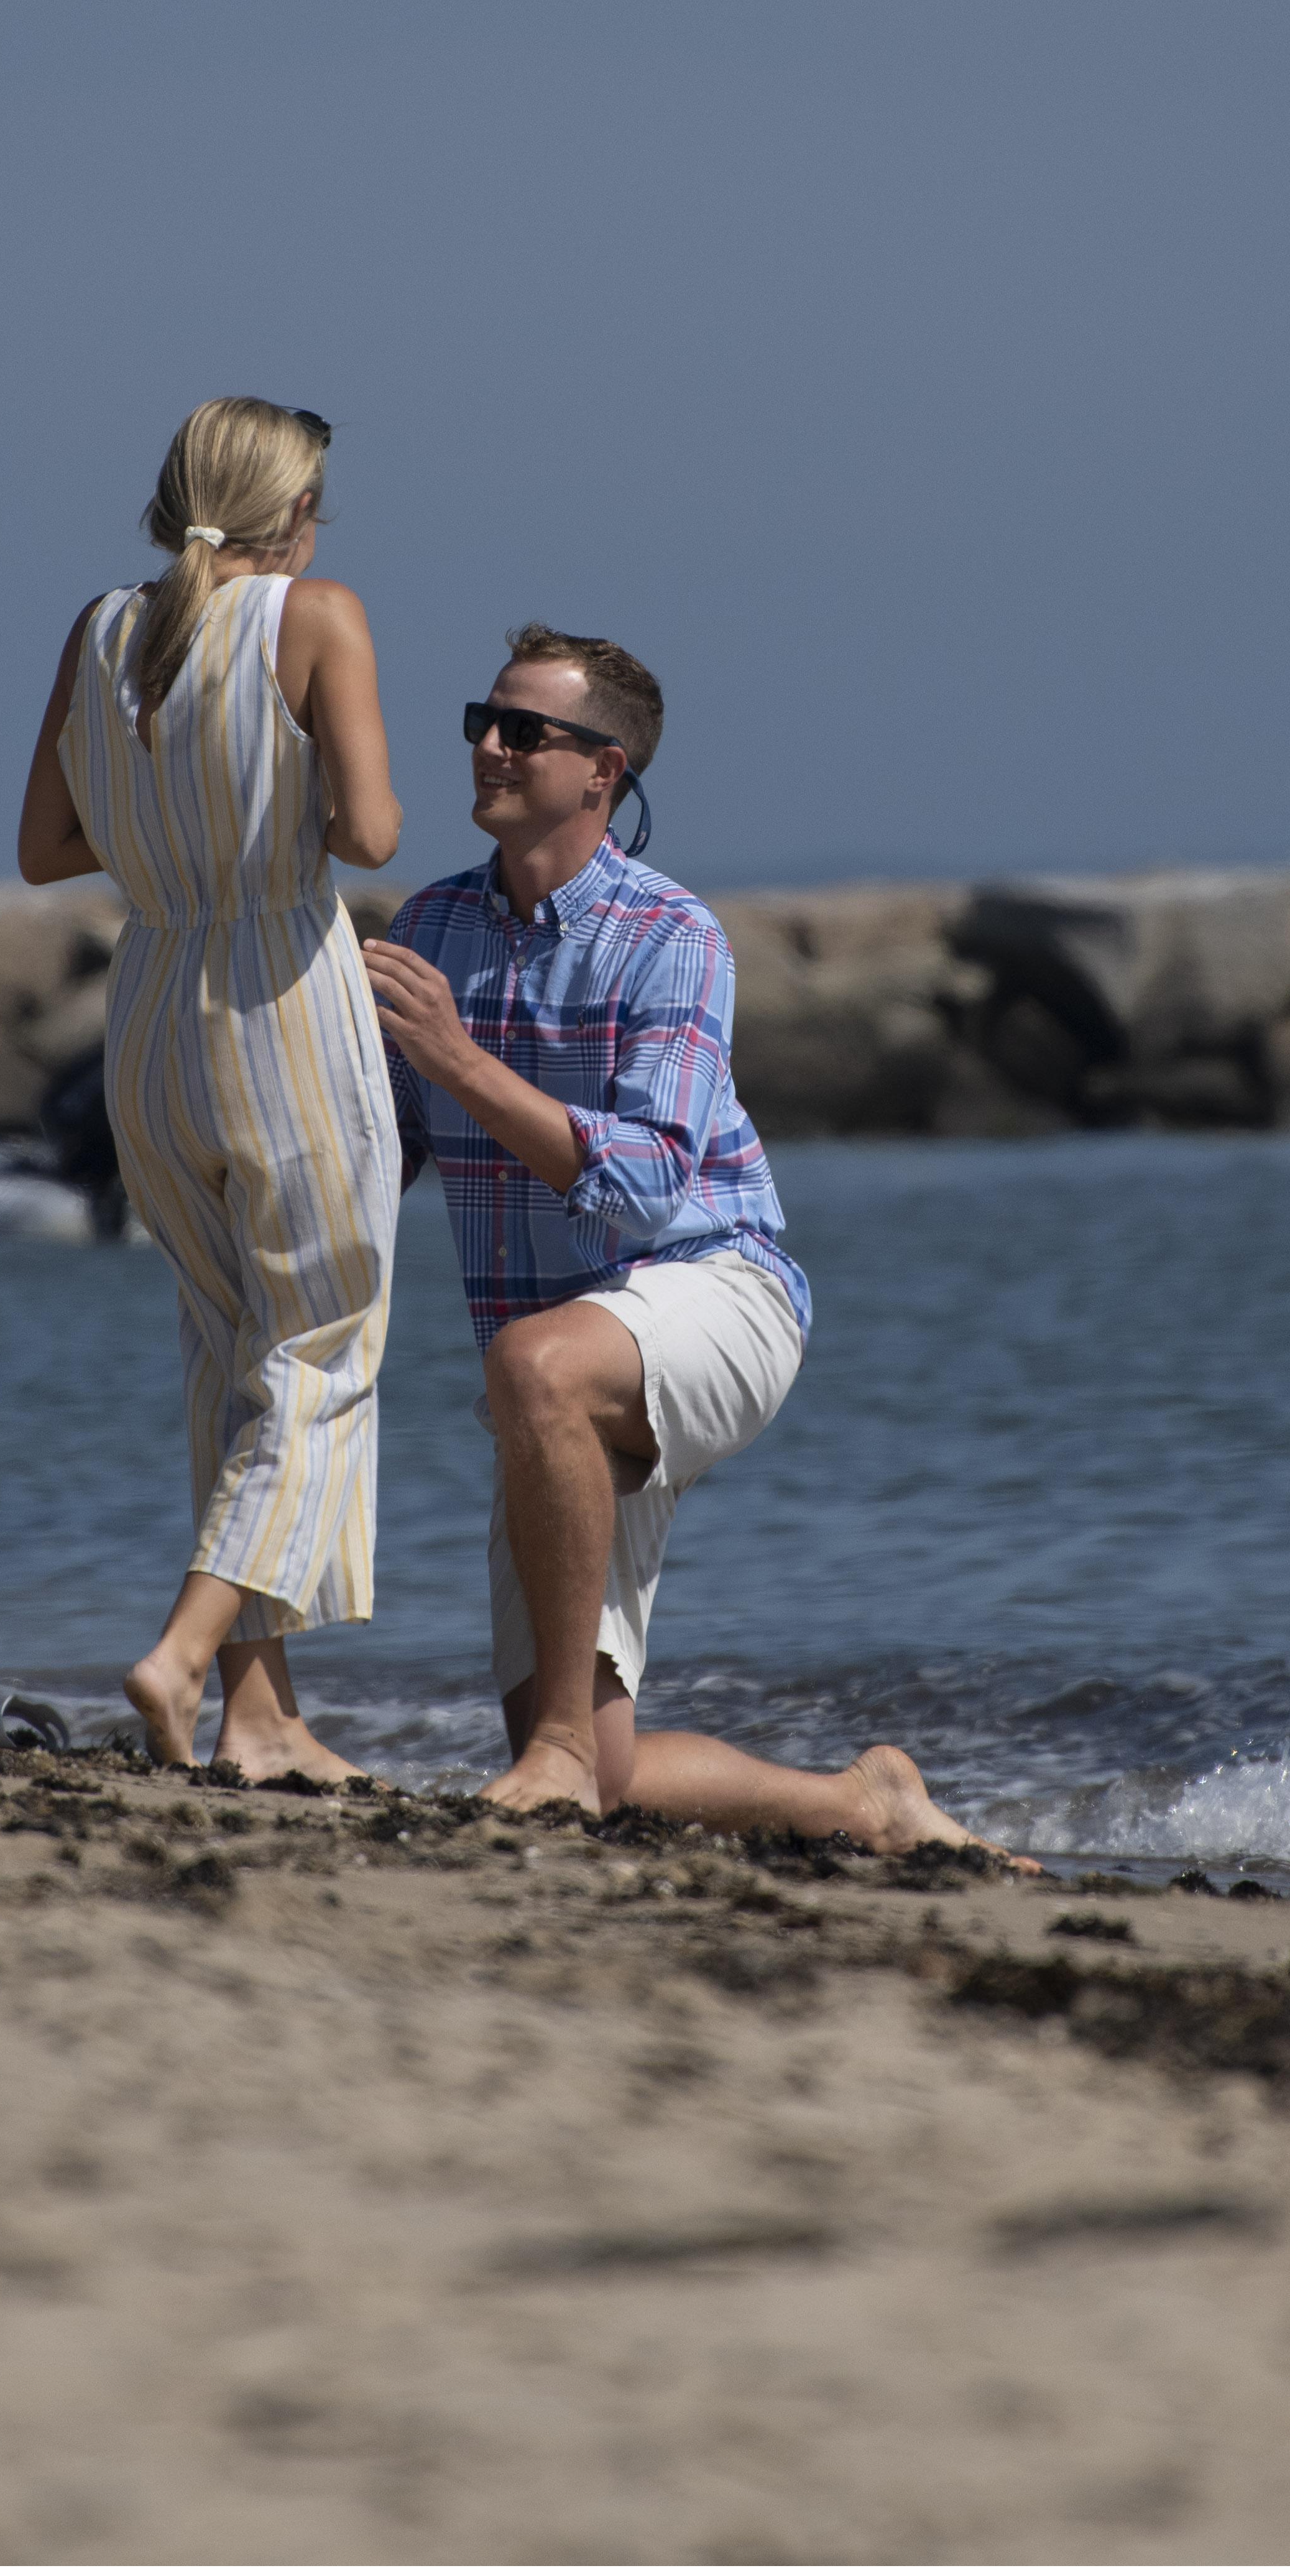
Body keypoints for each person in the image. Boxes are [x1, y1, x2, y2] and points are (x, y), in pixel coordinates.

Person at [364, 624, 1016, 1857]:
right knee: (601, 1777)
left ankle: (556, 1749)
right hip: (547, 1367)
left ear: (603, 770)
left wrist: (457, 1058)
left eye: (524, 732)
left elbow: (652, 1181)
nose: (489, 747)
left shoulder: (675, 937)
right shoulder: (434, 926)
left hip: (715, 1287)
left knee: (540, 1368)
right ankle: (862, 1804)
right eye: (482, 722)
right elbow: (388, 1148)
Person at [18, 397, 403, 1784]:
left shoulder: (102, 627)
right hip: (281, 1000)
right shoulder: (317, 618)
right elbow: (368, 831)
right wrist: (268, 811)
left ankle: (262, 1716)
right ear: (292, 511)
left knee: (228, 1358)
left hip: (152, 1009)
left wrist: (168, 818)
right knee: (319, 1358)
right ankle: (182, 1656)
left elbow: (44, 849)